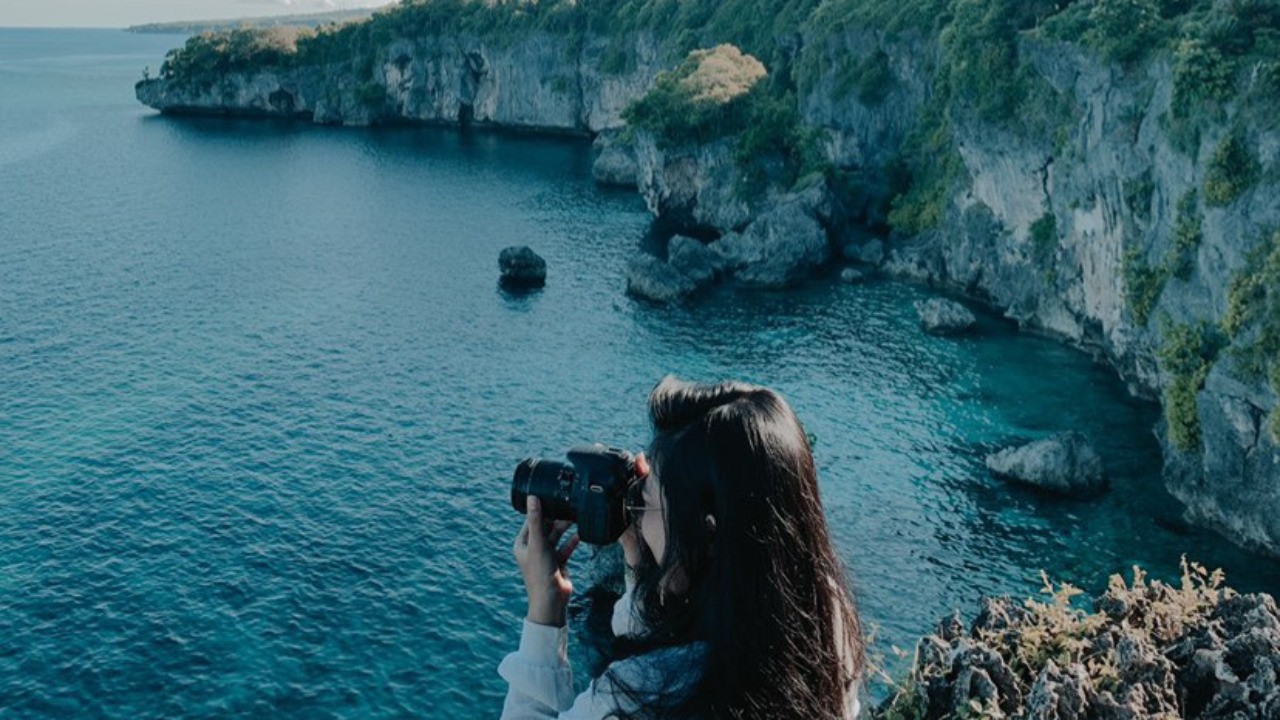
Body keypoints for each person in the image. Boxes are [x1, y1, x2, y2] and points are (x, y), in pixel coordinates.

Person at [499, 377, 864, 719]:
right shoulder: (825, 624)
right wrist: (642, 568)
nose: (637, 515)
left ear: (707, 533)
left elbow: (664, 670)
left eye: (647, 498)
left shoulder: (639, 697)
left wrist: (544, 613)